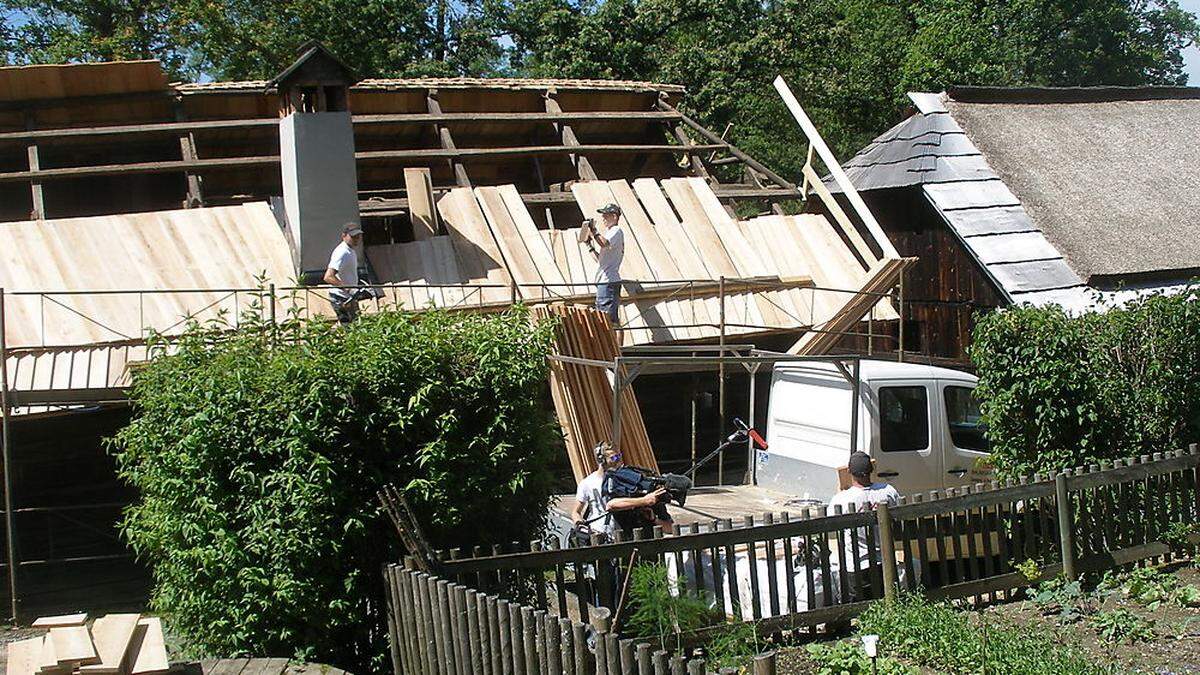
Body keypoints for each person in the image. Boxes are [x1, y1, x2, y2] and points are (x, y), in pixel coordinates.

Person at [829, 451, 900, 600]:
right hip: (884, 563)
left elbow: (832, 525)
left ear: (849, 471)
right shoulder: (888, 491)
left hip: (856, 566)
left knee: (858, 609)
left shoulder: (841, 499)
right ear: (872, 469)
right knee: (883, 602)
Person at [570, 442, 672, 541]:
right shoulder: (587, 483)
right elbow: (576, 511)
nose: (618, 460)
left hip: (625, 533)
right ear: (601, 460)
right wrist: (579, 524)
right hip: (599, 532)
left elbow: (670, 527)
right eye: (614, 458)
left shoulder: (627, 481)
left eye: (619, 456)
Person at [584, 203, 624, 324]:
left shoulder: (616, 231)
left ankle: (615, 344)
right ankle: (615, 343)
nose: (603, 219)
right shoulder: (611, 233)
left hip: (608, 282)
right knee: (608, 318)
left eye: (606, 216)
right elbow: (600, 260)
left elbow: (604, 243)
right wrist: (589, 245)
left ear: (614, 216)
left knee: (608, 320)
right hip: (605, 282)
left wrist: (594, 231)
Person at [324, 223, 363, 324]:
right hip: (341, 298)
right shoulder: (342, 252)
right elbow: (328, 277)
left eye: (358, 236)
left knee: (357, 328)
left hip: (348, 297)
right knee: (351, 330)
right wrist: (350, 289)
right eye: (353, 236)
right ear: (344, 236)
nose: (356, 239)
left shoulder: (350, 251)